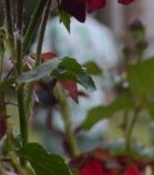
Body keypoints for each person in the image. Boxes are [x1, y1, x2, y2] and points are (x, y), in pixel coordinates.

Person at [40, 13, 119, 148]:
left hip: (59, 120)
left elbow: (39, 71)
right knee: (88, 168)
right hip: (94, 121)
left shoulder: (53, 28)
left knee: (59, 167)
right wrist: (107, 122)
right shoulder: (103, 33)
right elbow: (109, 85)